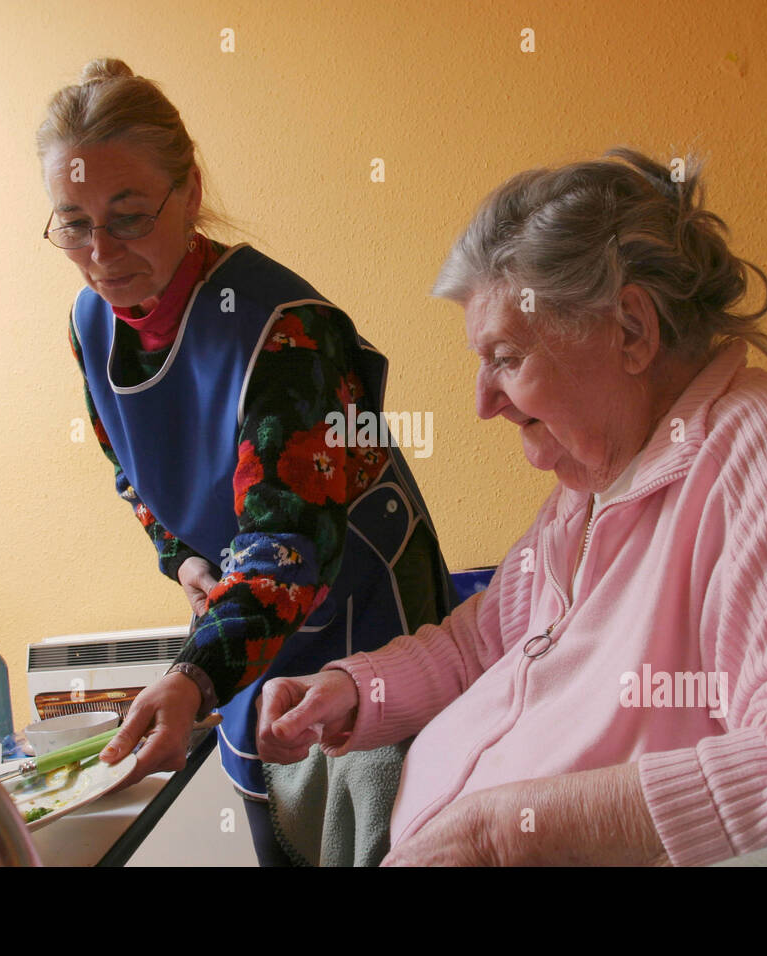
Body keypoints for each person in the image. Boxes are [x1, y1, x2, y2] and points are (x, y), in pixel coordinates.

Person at [256, 148, 767, 865]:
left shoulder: (764, 442)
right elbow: (480, 646)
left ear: (632, 330)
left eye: (506, 358)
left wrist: (506, 837)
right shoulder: (593, 486)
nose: (482, 404)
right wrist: (353, 689)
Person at [36, 58, 455, 864]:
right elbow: (133, 474)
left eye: (127, 217)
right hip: (244, 625)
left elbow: (287, 549)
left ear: (188, 193)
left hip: (366, 620)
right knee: (279, 831)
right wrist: (183, 558)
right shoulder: (92, 325)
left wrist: (194, 675)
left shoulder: (285, 329)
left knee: (378, 832)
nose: (100, 253)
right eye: (73, 223)